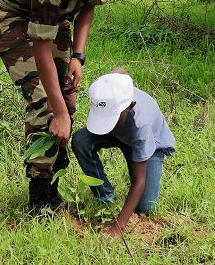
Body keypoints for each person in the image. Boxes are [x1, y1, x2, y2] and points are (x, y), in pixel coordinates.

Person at [0, 0, 137, 215]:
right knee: (46, 104)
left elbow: (88, 5)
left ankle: (54, 190)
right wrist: (57, 111)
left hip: (56, 18)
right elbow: (42, 49)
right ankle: (40, 200)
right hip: (18, 16)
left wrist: (78, 56)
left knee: (68, 99)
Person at [71, 68, 176, 238]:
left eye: (111, 118)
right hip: (119, 134)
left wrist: (117, 227)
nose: (107, 123)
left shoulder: (142, 127)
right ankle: (106, 198)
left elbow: (139, 180)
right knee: (81, 140)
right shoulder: (108, 90)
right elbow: (120, 71)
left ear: (130, 105)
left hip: (151, 146)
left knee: (145, 208)